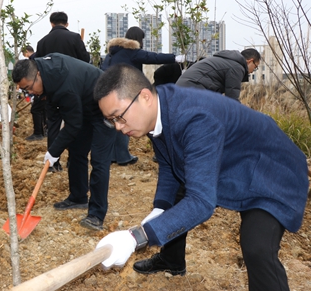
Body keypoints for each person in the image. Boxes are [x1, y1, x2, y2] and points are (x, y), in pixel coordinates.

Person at [93, 64, 308, 291]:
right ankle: (172, 260)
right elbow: (170, 163)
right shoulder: (158, 109)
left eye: (119, 117)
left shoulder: (194, 117)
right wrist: (161, 208)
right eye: (111, 120)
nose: (117, 127)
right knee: (176, 205)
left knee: (257, 246)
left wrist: (136, 237)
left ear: (144, 97)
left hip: (273, 171)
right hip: (237, 164)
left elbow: (201, 202)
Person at [12, 54, 115, 231]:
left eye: (28, 88)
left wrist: (54, 151)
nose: (29, 93)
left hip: (106, 105)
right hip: (83, 103)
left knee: (99, 160)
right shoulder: (46, 76)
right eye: (24, 90)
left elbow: (73, 125)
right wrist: (53, 150)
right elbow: (54, 118)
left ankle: (96, 215)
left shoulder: (63, 84)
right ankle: (78, 197)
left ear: (37, 75)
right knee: (76, 150)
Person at [101, 26, 184, 166]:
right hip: (123, 91)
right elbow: (153, 57)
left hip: (107, 91)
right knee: (123, 120)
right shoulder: (131, 51)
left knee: (113, 122)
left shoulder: (112, 53)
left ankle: (112, 156)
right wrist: (175, 58)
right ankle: (123, 157)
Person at [34, 11, 90, 172]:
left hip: (52, 90)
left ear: (51, 23)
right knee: (75, 122)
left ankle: (53, 163)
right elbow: (85, 61)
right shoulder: (74, 38)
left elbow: (39, 68)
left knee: (53, 125)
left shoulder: (42, 42)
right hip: (75, 89)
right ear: (67, 23)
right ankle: (74, 159)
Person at [176, 48, 261, 101]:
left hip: (183, 88)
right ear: (250, 61)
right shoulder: (236, 67)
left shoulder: (227, 61)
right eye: (255, 67)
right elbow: (232, 99)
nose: (253, 71)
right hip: (193, 88)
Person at [22, 46, 46, 141]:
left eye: (24, 53)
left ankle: (38, 133)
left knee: (35, 109)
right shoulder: (39, 57)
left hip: (40, 90)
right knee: (43, 109)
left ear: (27, 51)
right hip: (43, 89)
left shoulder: (33, 60)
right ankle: (45, 130)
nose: (24, 56)